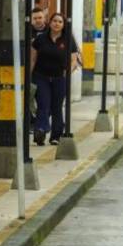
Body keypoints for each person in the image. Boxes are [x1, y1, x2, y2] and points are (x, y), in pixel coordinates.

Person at [31, 13, 79, 146]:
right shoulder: (40, 39)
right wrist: (28, 76)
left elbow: (74, 59)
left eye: (60, 22)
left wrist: (67, 71)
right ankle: (40, 130)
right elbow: (33, 58)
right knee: (43, 104)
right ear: (50, 22)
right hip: (41, 77)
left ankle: (56, 135)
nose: (57, 24)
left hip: (60, 78)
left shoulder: (68, 40)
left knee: (56, 107)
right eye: (54, 21)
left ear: (63, 25)